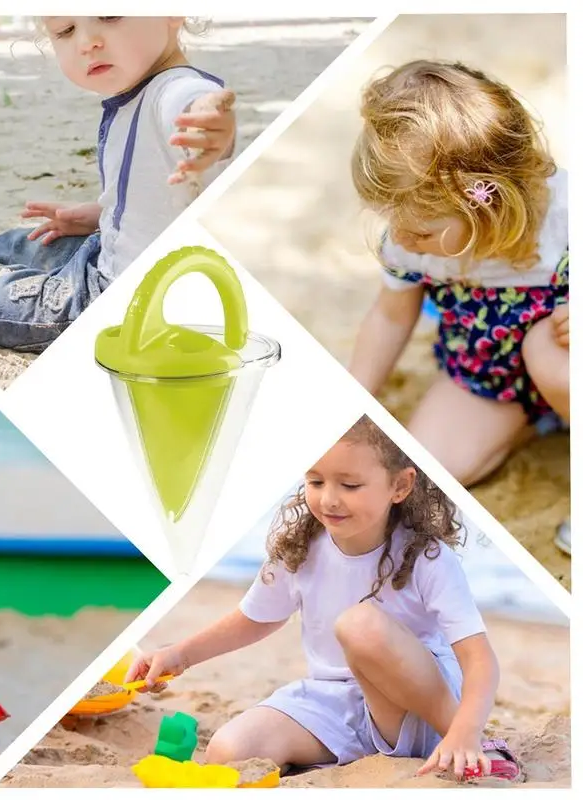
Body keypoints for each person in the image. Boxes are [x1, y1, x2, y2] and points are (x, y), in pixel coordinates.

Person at [127, 417, 520, 781]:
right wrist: (181, 654)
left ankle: (474, 746)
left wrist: (466, 730)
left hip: (418, 708)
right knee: (229, 750)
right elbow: (257, 618)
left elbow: (479, 659)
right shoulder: (300, 550)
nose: (329, 499)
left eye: (349, 486)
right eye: (316, 482)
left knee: (358, 625)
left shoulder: (427, 557)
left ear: (400, 486)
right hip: (333, 701)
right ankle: (343, 755)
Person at [0, 16, 236, 352]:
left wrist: (207, 125)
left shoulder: (173, 90)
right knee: (26, 241)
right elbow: (154, 199)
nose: (87, 42)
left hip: (127, 302)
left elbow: (192, 103)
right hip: (106, 254)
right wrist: (100, 214)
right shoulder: (138, 93)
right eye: (66, 30)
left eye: (109, 15)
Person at [347, 61, 568, 491]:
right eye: (394, 224)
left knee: (550, 355)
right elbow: (391, 316)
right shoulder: (411, 237)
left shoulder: (564, 217)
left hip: (563, 357)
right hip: (487, 376)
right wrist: (354, 395)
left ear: (486, 206)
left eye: (421, 232)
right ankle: (534, 420)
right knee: (428, 470)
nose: (404, 241)